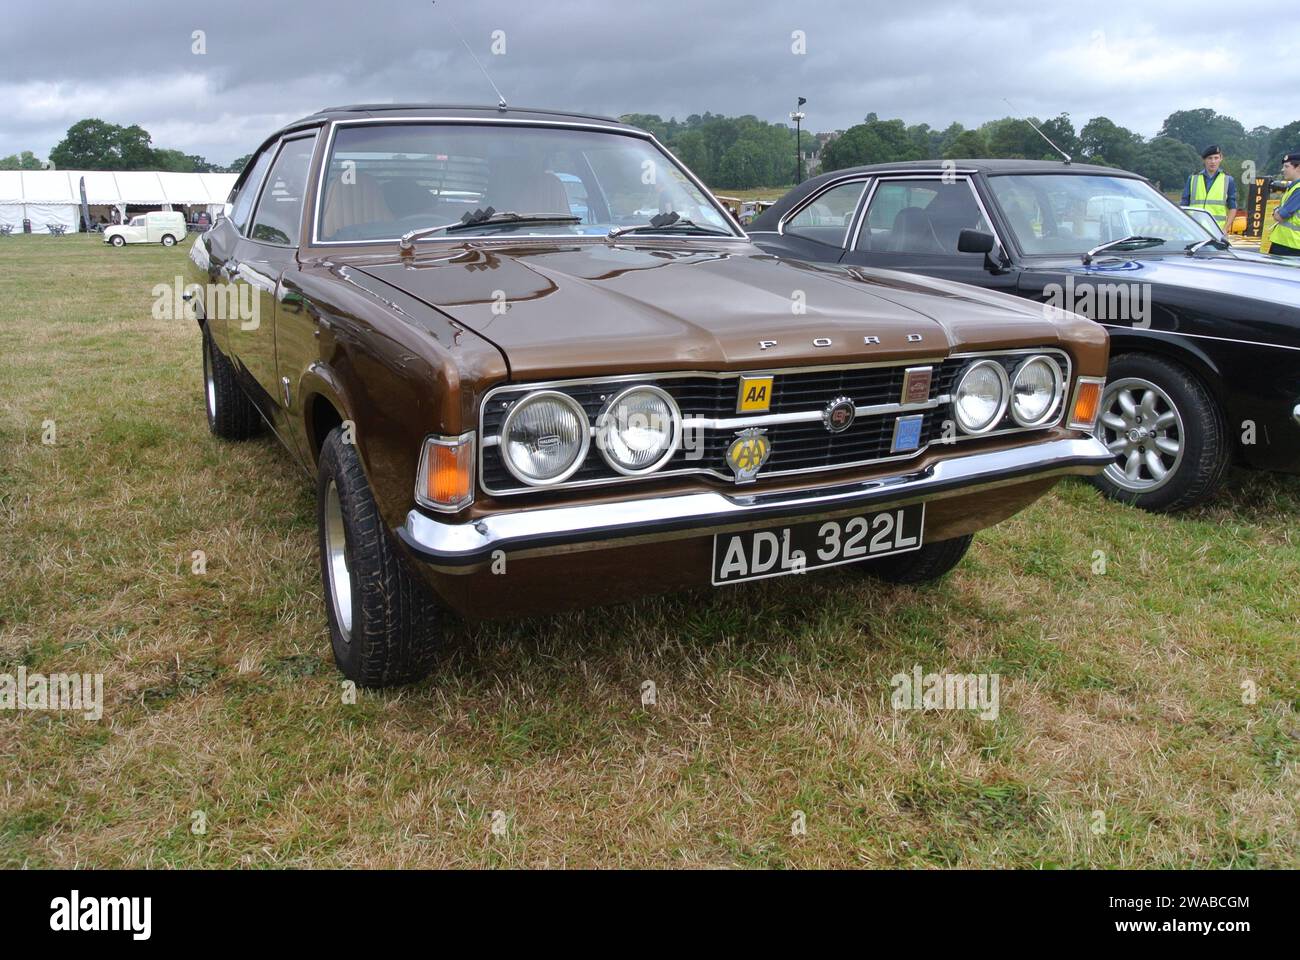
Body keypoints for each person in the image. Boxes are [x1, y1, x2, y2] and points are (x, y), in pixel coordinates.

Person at [1181, 144, 1237, 232]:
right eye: (1210, 158)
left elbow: (1232, 207)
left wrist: (1225, 229)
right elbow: (1184, 204)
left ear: (1221, 159)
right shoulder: (1193, 178)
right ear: (1204, 160)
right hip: (1194, 229)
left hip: (1217, 230)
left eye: (1216, 158)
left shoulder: (1228, 180)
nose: (1213, 161)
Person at [1267, 152, 1300, 257]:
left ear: (1298, 168)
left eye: (1286, 166)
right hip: (1285, 243)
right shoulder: (1293, 187)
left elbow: (1280, 216)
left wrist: (1277, 211)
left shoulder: (1298, 189)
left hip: (1290, 246)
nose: (1283, 169)